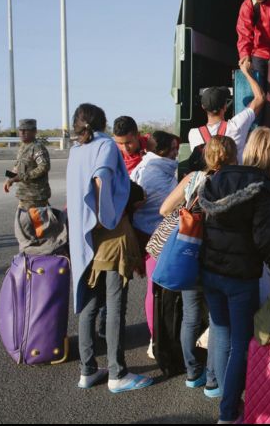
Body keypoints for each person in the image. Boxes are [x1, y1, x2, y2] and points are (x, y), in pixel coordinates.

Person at [198, 127, 270, 424]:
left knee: (221, 332)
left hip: (210, 270)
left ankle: (221, 394)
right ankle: (229, 412)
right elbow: (267, 241)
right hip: (239, 276)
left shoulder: (219, 176)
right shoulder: (264, 188)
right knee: (242, 343)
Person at [66, 103, 153, 394]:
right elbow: (102, 178)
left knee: (90, 303)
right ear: (102, 124)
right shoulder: (104, 146)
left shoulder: (76, 151)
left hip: (83, 236)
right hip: (110, 236)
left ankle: (87, 370)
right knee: (115, 304)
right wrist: (108, 216)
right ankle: (117, 374)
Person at [156, 135, 239, 395]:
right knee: (217, 318)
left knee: (190, 315)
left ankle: (193, 372)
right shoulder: (232, 181)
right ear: (233, 155)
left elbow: (164, 209)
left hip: (189, 253)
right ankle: (214, 380)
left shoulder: (193, 178)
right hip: (217, 256)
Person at [130, 131, 179, 359]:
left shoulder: (146, 165)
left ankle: (158, 335)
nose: (177, 151)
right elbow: (169, 207)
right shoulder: (157, 173)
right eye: (173, 148)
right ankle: (155, 338)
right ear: (162, 152)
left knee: (155, 289)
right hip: (156, 237)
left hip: (144, 234)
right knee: (156, 290)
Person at [188, 60, 265, 167]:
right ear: (225, 107)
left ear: (203, 107)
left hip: (207, 182)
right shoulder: (235, 126)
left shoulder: (193, 134)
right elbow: (260, 98)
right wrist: (247, 72)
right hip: (232, 181)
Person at [4, 119, 51, 209]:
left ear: (34, 131)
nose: (22, 133)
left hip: (35, 197)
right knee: (23, 222)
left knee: (32, 222)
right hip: (24, 195)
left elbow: (44, 167)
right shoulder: (23, 147)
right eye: (21, 130)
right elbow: (17, 165)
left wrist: (23, 176)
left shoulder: (37, 147)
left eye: (26, 130)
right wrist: (9, 178)